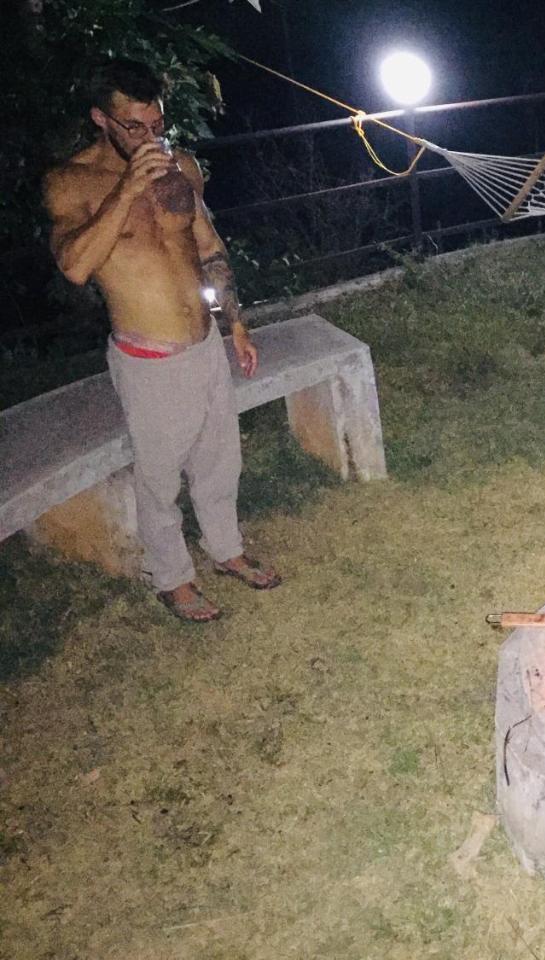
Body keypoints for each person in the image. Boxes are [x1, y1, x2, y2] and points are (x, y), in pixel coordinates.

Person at [43, 59, 281, 622]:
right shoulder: (70, 182)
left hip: (203, 345)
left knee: (220, 461)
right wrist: (126, 189)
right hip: (148, 357)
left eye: (156, 124)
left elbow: (207, 245)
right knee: (158, 478)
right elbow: (74, 266)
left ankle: (226, 549)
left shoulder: (182, 168)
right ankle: (171, 576)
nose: (149, 138)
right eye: (133, 127)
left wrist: (235, 324)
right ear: (101, 119)